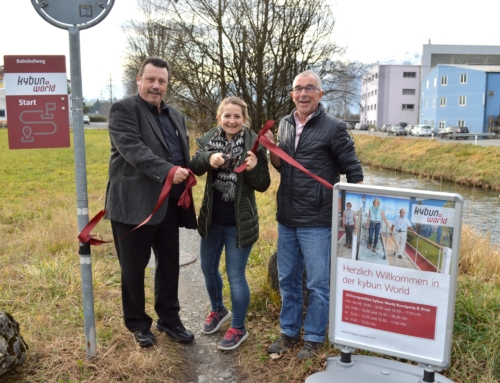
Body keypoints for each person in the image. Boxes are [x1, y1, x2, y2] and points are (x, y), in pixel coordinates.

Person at [264, 70, 364, 359]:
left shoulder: (334, 128)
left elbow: (353, 170)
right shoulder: (284, 124)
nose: (303, 93)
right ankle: (289, 332)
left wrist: (355, 208)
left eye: (310, 88)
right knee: (288, 279)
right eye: (298, 89)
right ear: (292, 94)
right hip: (287, 216)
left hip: (318, 220)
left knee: (318, 283)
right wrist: (272, 148)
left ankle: (315, 337)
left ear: (321, 94)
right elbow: (282, 165)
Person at [104, 57, 197, 348]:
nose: (156, 86)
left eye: (162, 81)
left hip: (168, 205)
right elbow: (133, 149)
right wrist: (169, 171)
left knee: (169, 265)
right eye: (151, 80)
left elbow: (181, 155)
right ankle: (138, 324)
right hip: (133, 206)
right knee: (133, 268)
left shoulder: (176, 116)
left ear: (167, 84)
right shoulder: (123, 110)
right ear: (138, 79)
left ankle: (169, 320)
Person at [191, 97, 271, 350]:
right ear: (219, 117)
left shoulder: (255, 144)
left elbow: (263, 184)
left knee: (236, 276)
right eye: (227, 116)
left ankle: (238, 327)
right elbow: (194, 166)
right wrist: (208, 158)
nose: (232, 121)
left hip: (239, 223)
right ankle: (218, 311)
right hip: (212, 221)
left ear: (244, 119)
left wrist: (253, 169)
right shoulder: (208, 140)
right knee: (207, 268)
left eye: (237, 116)